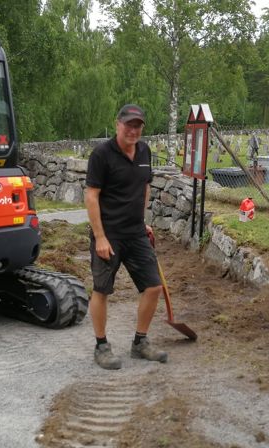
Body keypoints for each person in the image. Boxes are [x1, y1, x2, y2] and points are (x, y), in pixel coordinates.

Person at [84, 104, 168, 370]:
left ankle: (140, 343)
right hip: (109, 235)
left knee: (153, 287)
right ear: (117, 124)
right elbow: (91, 196)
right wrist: (100, 237)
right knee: (102, 290)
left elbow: (144, 187)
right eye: (129, 124)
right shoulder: (102, 154)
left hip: (135, 233)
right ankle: (101, 346)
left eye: (138, 125)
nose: (133, 130)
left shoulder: (144, 151)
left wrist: (142, 221)